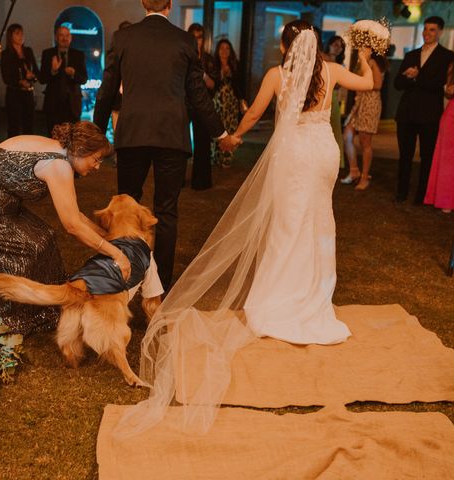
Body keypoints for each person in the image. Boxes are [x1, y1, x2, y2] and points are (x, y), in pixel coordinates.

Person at [115, 20, 374, 436]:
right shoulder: (331, 70)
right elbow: (367, 83)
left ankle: (281, 296)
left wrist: (231, 136)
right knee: (318, 221)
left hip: (293, 154)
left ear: (288, 45)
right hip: (323, 153)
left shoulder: (278, 75)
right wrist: (365, 53)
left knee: (288, 224)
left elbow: (254, 112)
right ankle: (313, 295)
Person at [93, 0, 238, 292]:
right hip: (171, 136)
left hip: (132, 134)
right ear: (170, 5)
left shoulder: (124, 38)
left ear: (143, 3)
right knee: (167, 211)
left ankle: (126, 278)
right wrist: (220, 133)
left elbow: (107, 90)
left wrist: (97, 133)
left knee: (126, 206)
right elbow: (198, 94)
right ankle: (161, 286)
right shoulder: (184, 40)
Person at [0, 121, 130, 335]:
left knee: (44, 237)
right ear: (80, 151)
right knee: (29, 247)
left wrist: (107, 237)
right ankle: (10, 315)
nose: (97, 166)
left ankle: (49, 307)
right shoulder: (58, 164)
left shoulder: (60, 151)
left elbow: (74, 214)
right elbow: (72, 225)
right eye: (96, 159)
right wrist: (116, 253)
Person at [394, 16, 454, 205]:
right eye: (426, 29)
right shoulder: (411, 55)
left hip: (429, 115)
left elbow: (438, 85)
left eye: (432, 30)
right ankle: (401, 192)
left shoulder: (447, 56)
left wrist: (417, 77)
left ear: (440, 32)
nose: (427, 33)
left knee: (427, 156)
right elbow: (397, 84)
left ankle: (422, 195)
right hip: (406, 113)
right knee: (405, 155)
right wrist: (408, 78)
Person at [342, 52, 388, 190]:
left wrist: (360, 84)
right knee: (347, 136)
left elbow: (378, 84)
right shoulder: (363, 61)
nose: (361, 48)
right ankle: (354, 170)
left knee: (365, 141)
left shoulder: (373, 62)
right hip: (359, 103)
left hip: (370, 103)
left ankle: (364, 177)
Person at [39, 26, 88, 135]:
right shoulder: (48, 54)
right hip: (53, 104)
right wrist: (53, 71)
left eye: (67, 35)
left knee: (73, 137)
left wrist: (73, 74)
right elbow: (41, 79)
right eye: (61, 35)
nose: (64, 38)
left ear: (71, 38)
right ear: (56, 37)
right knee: (52, 137)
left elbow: (84, 79)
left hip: (73, 105)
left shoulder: (78, 55)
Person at [187, 23, 218, 190]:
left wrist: (202, 72)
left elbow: (213, 84)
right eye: (194, 37)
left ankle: (201, 181)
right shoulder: (184, 56)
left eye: (200, 37)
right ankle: (177, 180)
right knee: (180, 144)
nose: (197, 41)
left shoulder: (208, 60)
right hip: (185, 104)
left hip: (202, 104)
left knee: (202, 143)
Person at [424, 62, 454, 213]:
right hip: (452, 116)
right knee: (448, 159)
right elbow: (448, 92)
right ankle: (446, 199)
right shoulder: (452, 66)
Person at [1, 24, 39, 138]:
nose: (21, 36)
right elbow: (6, 77)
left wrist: (33, 77)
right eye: (17, 33)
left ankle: (28, 151)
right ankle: (13, 152)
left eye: (22, 33)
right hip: (14, 94)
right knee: (14, 126)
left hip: (28, 93)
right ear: (10, 36)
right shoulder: (6, 54)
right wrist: (19, 81)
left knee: (29, 125)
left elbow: (36, 71)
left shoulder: (28, 51)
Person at [211, 39, 243, 169]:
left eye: (227, 48)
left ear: (230, 51)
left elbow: (240, 85)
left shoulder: (235, 64)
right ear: (218, 51)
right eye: (222, 48)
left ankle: (227, 158)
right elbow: (212, 85)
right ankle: (215, 157)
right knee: (217, 129)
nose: (224, 51)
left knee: (230, 129)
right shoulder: (213, 65)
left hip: (231, 103)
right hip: (218, 102)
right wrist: (221, 73)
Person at [323, 35, 346, 168]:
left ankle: (334, 161)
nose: (338, 48)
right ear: (329, 44)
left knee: (335, 130)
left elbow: (338, 85)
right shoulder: (321, 58)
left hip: (333, 99)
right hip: (321, 98)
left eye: (340, 46)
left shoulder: (340, 65)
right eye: (335, 44)